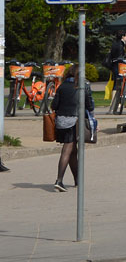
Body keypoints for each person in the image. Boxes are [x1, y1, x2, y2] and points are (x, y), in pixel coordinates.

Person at [50, 64, 92, 192]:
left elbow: (54, 105)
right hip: (74, 121)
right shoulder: (82, 86)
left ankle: (77, 180)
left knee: (73, 151)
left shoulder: (62, 86)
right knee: (67, 150)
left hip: (61, 121)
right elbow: (89, 105)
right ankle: (59, 180)